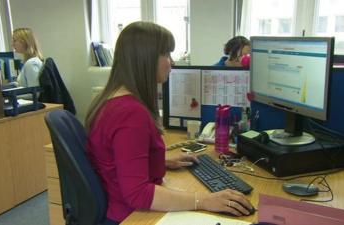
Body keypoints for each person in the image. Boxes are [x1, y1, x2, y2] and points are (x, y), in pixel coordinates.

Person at [85, 21, 254, 224]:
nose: (172, 62)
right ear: (145, 59)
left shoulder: (111, 98)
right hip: (131, 216)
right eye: (166, 54)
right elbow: (137, 193)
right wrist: (203, 200)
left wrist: (161, 161)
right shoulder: (130, 114)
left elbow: (115, 160)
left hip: (119, 207)